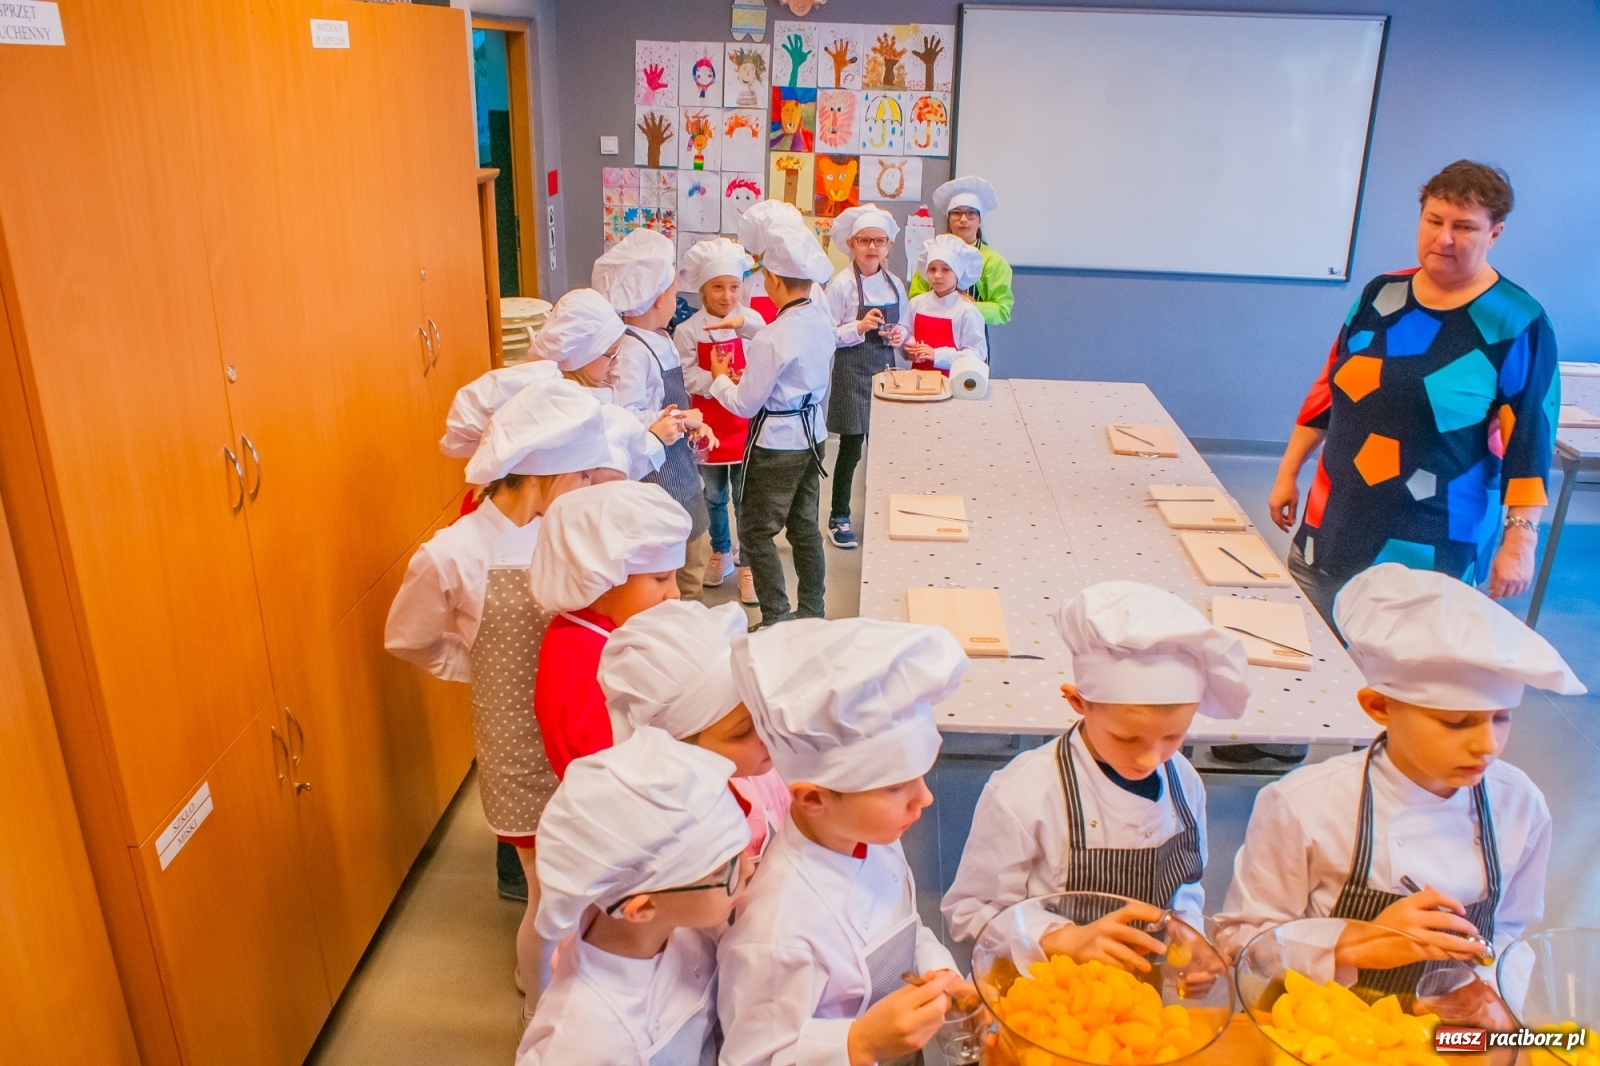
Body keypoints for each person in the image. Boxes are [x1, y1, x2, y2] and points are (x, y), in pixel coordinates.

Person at [384, 379, 635, 1011]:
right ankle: (540, 1009)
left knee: (593, 872)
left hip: (583, 732)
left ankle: (590, 983)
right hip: (518, 749)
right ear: (541, 474)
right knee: (546, 893)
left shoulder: (570, 533)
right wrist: (479, 668)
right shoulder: (454, 553)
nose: (587, 487)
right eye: (579, 476)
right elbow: (407, 639)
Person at [1212, 565, 1584, 985]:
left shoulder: (1519, 803)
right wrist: (1355, 942)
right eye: (1457, 722)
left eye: (1500, 719)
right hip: (1323, 1032)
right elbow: (1242, 941)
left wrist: (1491, 998)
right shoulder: (1305, 804)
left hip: (1451, 1034)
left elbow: (1510, 932)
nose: (1488, 746)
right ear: (1379, 707)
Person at [1267, 162, 1561, 629]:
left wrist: (1520, 542)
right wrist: (1288, 472)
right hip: (1332, 524)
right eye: (1434, 220)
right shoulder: (1381, 293)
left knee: (1395, 689)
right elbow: (1329, 390)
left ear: (1496, 233)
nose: (1444, 238)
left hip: (1429, 544)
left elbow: (1529, 443)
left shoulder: (1517, 322)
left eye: (1464, 227)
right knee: (1310, 657)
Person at [717, 617, 976, 1066]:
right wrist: (858, 1044)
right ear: (814, 798)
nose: (926, 798)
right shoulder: (776, 932)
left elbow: (905, 927)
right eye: (896, 787)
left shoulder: (870, 836)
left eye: (920, 776)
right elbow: (752, 1059)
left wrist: (937, 968)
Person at [942, 582, 1250, 958]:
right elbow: (970, 911)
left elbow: (1184, 886)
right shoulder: (1023, 794)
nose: (1150, 759)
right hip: (1050, 989)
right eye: (1127, 739)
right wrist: (1059, 939)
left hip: (1139, 990)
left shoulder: (1184, 781)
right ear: (1077, 701)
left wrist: (1188, 932)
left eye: (1173, 737)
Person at [514, 727, 752, 1065]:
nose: (746, 871)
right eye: (721, 871)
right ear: (642, 908)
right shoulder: (583, 1041)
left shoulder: (683, 927)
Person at [708, 201, 836, 628]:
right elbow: (785, 343)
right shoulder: (818, 318)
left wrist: (720, 378)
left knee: (756, 533)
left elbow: (746, 403)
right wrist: (744, 326)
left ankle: (777, 617)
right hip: (812, 437)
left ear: (773, 279)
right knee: (804, 529)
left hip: (776, 446)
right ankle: (813, 611)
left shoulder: (773, 338)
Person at [599, 598, 791, 861]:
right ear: (682, 752)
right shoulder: (684, 836)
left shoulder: (759, 767)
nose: (768, 733)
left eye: (763, 712)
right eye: (742, 732)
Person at [529, 479, 692, 779]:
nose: (675, 593)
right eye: (661, 579)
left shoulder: (611, 628)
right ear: (602, 584)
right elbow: (601, 765)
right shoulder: (580, 658)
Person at [594, 229, 718, 601]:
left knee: (695, 552)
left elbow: (663, 408)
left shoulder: (661, 337)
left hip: (680, 468)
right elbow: (626, 416)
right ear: (652, 298)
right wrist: (680, 421)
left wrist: (688, 422)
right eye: (671, 290)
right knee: (673, 574)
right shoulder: (631, 350)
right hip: (657, 478)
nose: (676, 297)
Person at [674, 237, 765, 605]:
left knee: (746, 497)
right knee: (714, 495)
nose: (727, 297)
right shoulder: (688, 330)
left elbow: (768, 356)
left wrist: (746, 377)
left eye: (733, 287)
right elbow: (684, 376)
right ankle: (721, 550)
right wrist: (715, 378)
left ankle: (747, 563)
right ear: (702, 289)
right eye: (717, 288)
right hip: (708, 426)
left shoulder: (754, 321)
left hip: (744, 421)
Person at [821, 204, 909, 551]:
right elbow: (825, 333)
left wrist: (898, 335)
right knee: (851, 446)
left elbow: (906, 325)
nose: (872, 247)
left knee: (886, 448)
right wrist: (857, 328)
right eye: (864, 241)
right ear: (851, 244)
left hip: (886, 369)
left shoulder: (895, 284)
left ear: (888, 246)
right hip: (852, 369)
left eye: (879, 241)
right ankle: (839, 516)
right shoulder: (841, 285)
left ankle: (882, 513)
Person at [908, 175, 1014, 328]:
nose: (963, 219)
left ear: (980, 220)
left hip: (972, 336)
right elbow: (915, 298)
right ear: (949, 218)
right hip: (930, 333)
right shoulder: (931, 254)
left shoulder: (993, 261)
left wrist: (964, 307)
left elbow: (1002, 310)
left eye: (971, 213)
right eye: (956, 213)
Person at [905, 234, 987, 373]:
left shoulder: (967, 311)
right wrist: (908, 350)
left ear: (958, 273)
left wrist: (937, 355)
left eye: (946, 269)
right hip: (916, 381)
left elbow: (977, 354)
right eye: (932, 269)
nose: (937, 275)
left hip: (953, 383)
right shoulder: (916, 304)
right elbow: (906, 335)